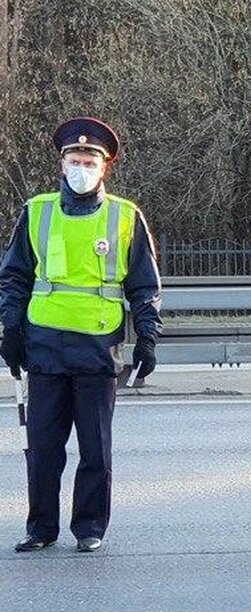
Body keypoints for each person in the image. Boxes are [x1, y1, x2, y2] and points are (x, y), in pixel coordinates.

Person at [0, 117, 161, 554]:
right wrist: (10, 327)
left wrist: (147, 335)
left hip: (98, 347)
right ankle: (41, 528)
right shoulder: (38, 210)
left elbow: (144, 285)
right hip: (45, 345)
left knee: (95, 449)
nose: (81, 166)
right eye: (75, 158)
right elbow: (14, 276)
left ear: (104, 166)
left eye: (90, 160)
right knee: (43, 448)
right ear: (62, 162)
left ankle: (89, 526)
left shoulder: (125, 216)